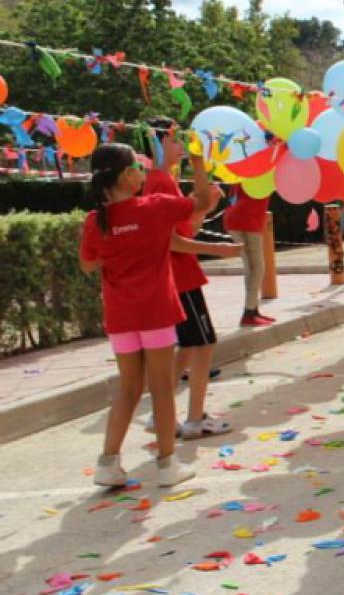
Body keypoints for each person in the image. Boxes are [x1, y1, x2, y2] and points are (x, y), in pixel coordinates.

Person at [80, 143, 212, 488]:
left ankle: (108, 463)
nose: (143, 172)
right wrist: (197, 161)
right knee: (161, 388)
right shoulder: (155, 207)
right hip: (155, 311)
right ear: (126, 175)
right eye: (138, 167)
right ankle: (168, 464)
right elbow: (202, 201)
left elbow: (88, 264)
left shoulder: (95, 221)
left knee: (128, 388)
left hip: (120, 315)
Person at [141, 121, 242, 439]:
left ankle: (162, 415)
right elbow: (169, 240)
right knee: (204, 344)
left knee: (187, 347)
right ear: (157, 145)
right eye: (174, 140)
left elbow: (186, 230)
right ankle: (195, 418)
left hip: (181, 275)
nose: (181, 146)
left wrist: (205, 208)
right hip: (179, 277)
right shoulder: (158, 182)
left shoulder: (165, 181)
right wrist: (218, 249)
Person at [223, 184, 273, 327]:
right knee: (257, 268)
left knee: (250, 268)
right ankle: (248, 313)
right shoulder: (264, 174)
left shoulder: (243, 173)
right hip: (248, 220)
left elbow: (232, 197)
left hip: (232, 218)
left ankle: (253, 310)